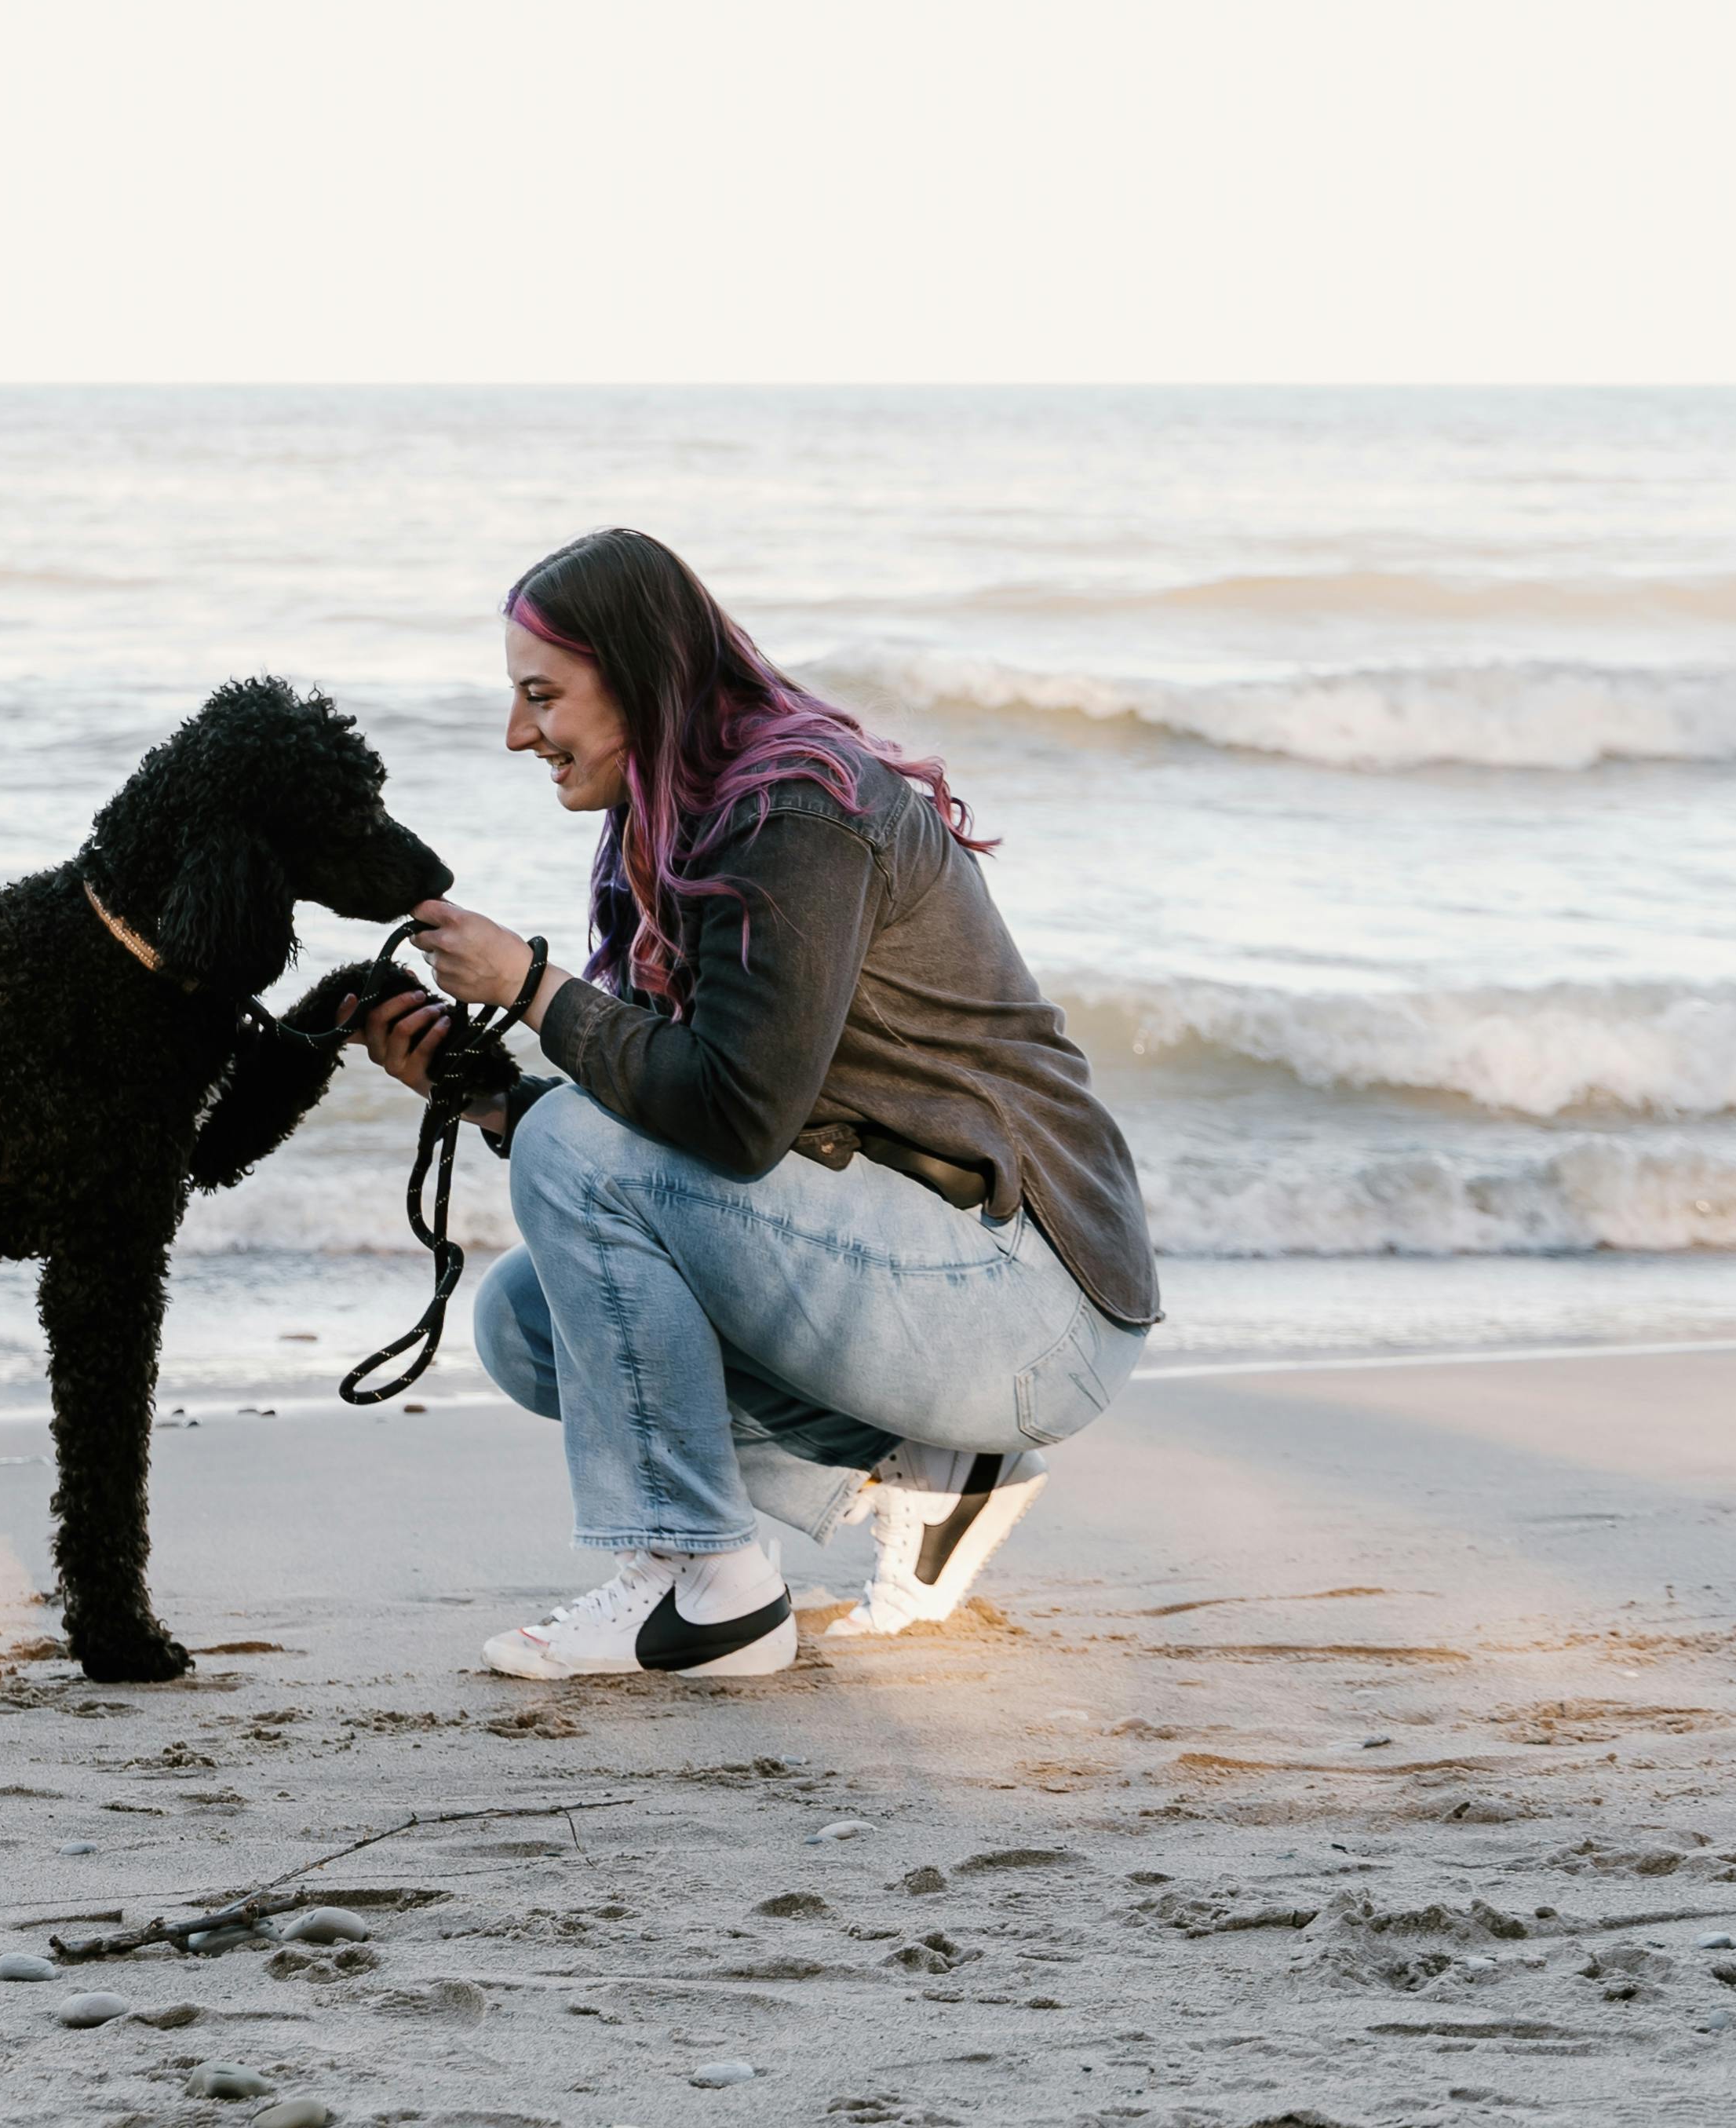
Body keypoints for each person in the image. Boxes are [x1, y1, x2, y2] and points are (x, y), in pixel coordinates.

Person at [359, 528, 1158, 1684]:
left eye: (541, 696)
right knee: (527, 1323)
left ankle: (709, 1585)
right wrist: (480, 1093)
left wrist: (532, 989)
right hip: (922, 1281)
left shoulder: (797, 811)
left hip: (1029, 1305)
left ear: (639, 677)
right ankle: (932, 1464)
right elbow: (661, 1128)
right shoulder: (674, 822)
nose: (516, 733)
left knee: (577, 1167)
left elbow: (736, 1117)